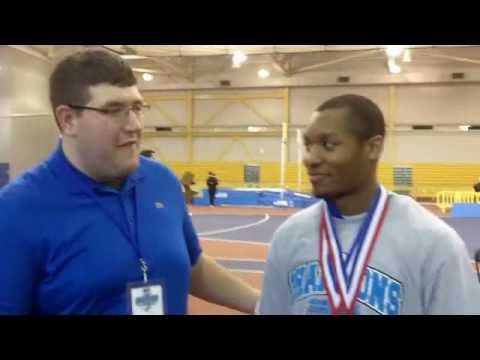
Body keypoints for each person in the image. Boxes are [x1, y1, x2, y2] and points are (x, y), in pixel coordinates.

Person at [0, 49, 259, 315]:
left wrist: (260, 303)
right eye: (114, 110)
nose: (134, 125)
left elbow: (192, 265)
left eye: (137, 108)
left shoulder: (163, 182)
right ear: (68, 120)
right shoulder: (15, 211)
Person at [257, 94, 480, 315]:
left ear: (373, 147)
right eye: (308, 145)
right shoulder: (289, 236)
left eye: (328, 144)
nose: (310, 158)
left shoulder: (433, 243)